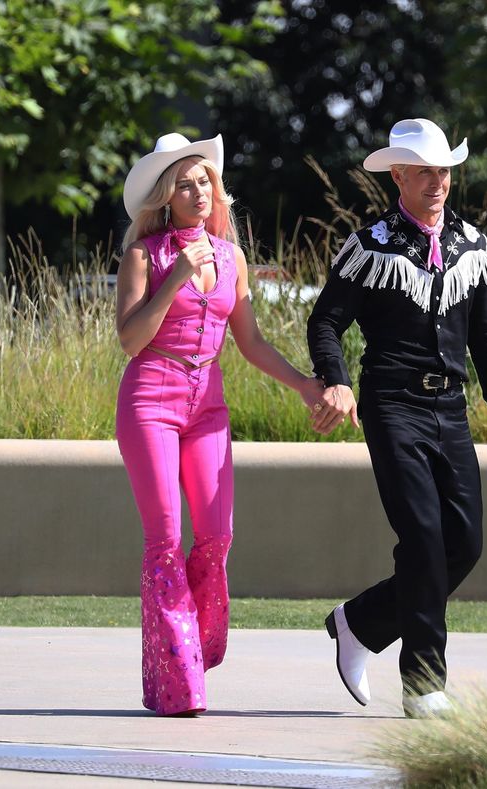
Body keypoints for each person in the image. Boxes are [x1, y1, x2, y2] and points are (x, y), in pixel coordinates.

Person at [307, 119, 487, 718]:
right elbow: (325, 322)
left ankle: (360, 622)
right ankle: (424, 683)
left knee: (465, 542)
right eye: (425, 171)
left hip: (449, 410)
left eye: (444, 171)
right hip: (392, 406)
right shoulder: (371, 244)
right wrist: (338, 382)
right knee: (424, 538)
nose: (437, 182)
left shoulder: (472, 246)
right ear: (398, 176)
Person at [116, 131, 323, 716]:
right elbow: (131, 341)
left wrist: (305, 385)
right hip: (150, 400)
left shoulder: (232, 257)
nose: (198, 189)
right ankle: (177, 685)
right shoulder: (143, 256)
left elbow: (251, 342)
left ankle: (189, 654)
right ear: (165, 196)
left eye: (204, 179)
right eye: (185, 182)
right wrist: (175, 277)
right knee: (165, 540)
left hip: (207, 407)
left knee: (216, 534)